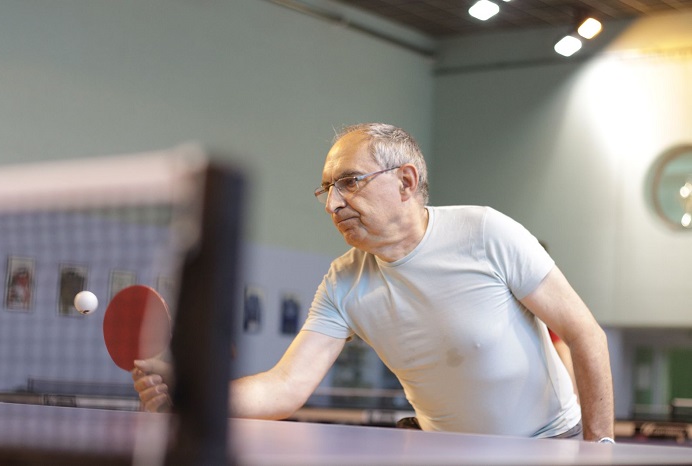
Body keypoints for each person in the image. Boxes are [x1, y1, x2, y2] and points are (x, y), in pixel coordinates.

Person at [133, 123, 614, 441]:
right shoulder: (344, 281)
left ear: (405, 181)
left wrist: (601, 451)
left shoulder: (486, 232)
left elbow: (583, 332)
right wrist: (193, 389)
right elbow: (285, 386)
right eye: (327, 189)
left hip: (551, 443)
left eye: (349, 181)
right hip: (444, 453)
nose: (332, 204)